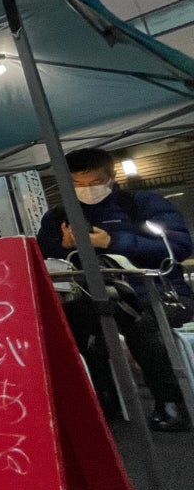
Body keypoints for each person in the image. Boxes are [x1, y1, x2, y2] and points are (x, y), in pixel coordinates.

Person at [36, 148, 193, 432]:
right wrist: (64, 246)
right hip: (94, 296)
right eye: (77, 184)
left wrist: (112, 242)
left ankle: (171, 404)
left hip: (158, 295)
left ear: (111, 177)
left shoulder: (141, 204)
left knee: (143, 326)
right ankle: (103, 400)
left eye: (95, 182)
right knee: (70, 325)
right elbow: (44, 257)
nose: (87, 190)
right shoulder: (58, 216)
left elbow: (179, 247)